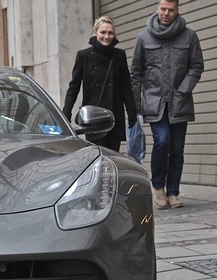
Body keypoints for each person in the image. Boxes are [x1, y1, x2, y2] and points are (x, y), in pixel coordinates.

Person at [130, 0, 204, 209]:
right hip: (155, 102)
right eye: (163, 9)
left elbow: (197, 66)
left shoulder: (189, 36)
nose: (166, 13)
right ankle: (158, 187)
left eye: (171, 10)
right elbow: (135, 72)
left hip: (180, 101)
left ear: (177, 10)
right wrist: (136, 106)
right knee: (162, 141)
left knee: (177, 148)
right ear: (157, 9)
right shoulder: (143, 38)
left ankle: (173, 192)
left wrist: (183, 89)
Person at [63, 16, 137, 153]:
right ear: (95, 33)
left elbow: (126, 86)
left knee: (113, 157)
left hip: (114, 117)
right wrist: (66, 112)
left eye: (110, 33)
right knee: (98, 156)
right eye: (103, 32)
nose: (106, 36)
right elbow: (74, 87)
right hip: (93, 118)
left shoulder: (119, 55)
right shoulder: (83, 56)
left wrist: (132, 113)